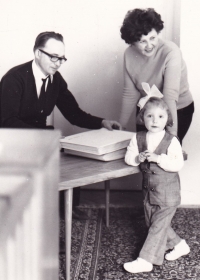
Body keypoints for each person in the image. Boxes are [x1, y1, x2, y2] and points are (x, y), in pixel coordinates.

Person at [0, 31, 121, 220]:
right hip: (13, 140)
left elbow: (74, 113)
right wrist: (47, 139)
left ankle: (67, 208)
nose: (58, 62)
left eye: (61, 58)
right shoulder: (14, 78)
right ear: (37, 53)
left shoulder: (55, 79)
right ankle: (40, 227)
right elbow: (7, 121)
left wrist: (101, 122)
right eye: (53, 57)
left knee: (75, 154)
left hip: (41, 137)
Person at [123, 92, 190, 274]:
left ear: (167, 119)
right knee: (154, 224)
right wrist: (138, 157)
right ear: (142, 118)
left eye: (160, 116)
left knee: (157, 226)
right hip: (148, 193)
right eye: (149, 116)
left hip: (168, 194)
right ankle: (180, 245)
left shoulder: (171, 140)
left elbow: (177, 164)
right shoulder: (137, 138)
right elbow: (128, 158)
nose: (155, 120)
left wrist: (159, 158)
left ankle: (145, 260)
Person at [119, 8, 194, 145]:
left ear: (158, 33)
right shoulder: (128, 54)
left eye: (152, 38)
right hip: (148, 109)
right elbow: (130, 93)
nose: (149, 46)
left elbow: (170, 95)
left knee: (167, 153)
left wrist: (172, 136)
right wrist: (121, 127)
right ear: (132, 42)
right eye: (142, 41)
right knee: (143, 149)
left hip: (178, 109)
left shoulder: (171, 52)